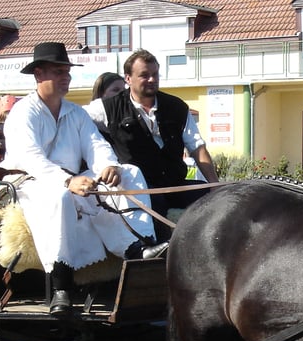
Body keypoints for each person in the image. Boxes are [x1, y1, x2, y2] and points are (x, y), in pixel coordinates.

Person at [0, 42, 166, 316]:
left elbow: (96, 145)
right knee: (60, 195)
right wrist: (67, 182)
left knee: (130, 172)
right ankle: (61, 286)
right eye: (58, 71)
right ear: (39, 75)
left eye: (67, 71)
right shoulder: (22, 113)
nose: (66, 77)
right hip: (28, 184)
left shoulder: (75, 113)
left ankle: (139, 249)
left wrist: (108, 166)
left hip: (72, 181)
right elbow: (30, 159)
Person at [85, 49, 219, 241]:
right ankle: (154, 260)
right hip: (139, 190)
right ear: (128, 79)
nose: (151, 80)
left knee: (218, 199)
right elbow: (76, 124)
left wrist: (215, 185)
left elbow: (198, 148)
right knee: (154, 204)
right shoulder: (106, 108)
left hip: (175, 185)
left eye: (155, 74)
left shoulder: (177, 107)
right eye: (144, 75)